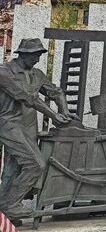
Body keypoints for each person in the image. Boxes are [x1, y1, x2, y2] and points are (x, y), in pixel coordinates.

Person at [0, 38, 76, 221]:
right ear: (23, 54)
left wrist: (64, 111)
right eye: (35, 55)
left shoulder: (37, 74)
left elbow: (56, 92)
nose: (37, 59)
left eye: (39, 55)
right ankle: (11, 205)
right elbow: (26, 98)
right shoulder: (4, 72)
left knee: (13, 169)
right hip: (9, 124)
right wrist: (54, 115)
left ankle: (4, 212)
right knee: (35, 164)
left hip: (28, 127)